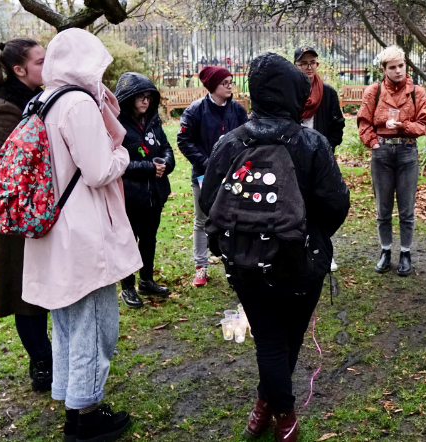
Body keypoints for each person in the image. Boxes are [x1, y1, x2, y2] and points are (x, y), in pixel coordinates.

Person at [200, 52, 350, 442]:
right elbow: (336, 203)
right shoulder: (312, 143)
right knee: (286, 336)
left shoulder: (229, 143)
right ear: (292, 93)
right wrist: (311, 233)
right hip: (302, 260)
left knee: (272, 336)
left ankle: (266, 404)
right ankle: (284, 414)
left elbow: (208, 201)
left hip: (246, 259)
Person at [22, 29, 140, 441]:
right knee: (94, 321)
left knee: (68, 322)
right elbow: (98, 169)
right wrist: (123, 154)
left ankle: (74, 404)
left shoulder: (41, 100)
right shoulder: (77, 104)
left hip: (51, 227)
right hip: (82, 231)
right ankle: (87, 415)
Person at [0, 38, 53, 392]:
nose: (47, 66)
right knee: (27, 301)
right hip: (19, 219)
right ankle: (42, 363)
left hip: (45, 216)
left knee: (49, 293)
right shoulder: (2, 111)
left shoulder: (42, 100)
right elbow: (17, 168)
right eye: (40, 62)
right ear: (19, 69)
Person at [357, 45, 426, 277]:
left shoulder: (417, 92)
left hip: (408, 152)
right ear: (385, 69)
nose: (398, 71)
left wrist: (404, 127)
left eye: (401, 66)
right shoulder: (374, 91)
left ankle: (406, 253)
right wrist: (374, 143)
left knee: (407, 209)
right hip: (382, 154)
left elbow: (425, 124)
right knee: (383, 208)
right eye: (393, 67)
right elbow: (363, 121)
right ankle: (386, 251)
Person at [178, 65, 248, 287]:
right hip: (204, 176)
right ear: (212, 86)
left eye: (230, 82)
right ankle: (201, 266)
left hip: (235, 175)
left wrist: (240, 165)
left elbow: (248, 138)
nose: (230, 86)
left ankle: (236, 263)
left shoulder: (237, 110)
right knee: (202, 219)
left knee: (237, 217)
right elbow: (184, 140)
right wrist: (207, 165)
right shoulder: (195, 111)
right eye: (225, 83)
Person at [114, 72, 176, 308]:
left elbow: (167, 149)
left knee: (149, 239)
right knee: (129, 241)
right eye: (140, 96)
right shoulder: (116, 126)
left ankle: (146, 280)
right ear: (129, 98)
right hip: (130, 195)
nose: (145, 101)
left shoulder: (153, 121)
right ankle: (128, 287)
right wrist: (148, 167)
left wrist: (165, 164)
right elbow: (116, 162)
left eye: (149, 97)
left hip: (154, 194)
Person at [293, 45, 346, 271]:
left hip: (321, 160)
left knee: (322, 204)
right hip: (295, 158)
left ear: (317, 64)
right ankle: (298, 250)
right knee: (297, 204)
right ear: (295, 65)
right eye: (303, 63)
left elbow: (338, 125)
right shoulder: (291, 92)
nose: (308, 67)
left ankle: (324, 250)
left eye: (312, 62)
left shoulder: (327, 93)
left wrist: (328, 148)